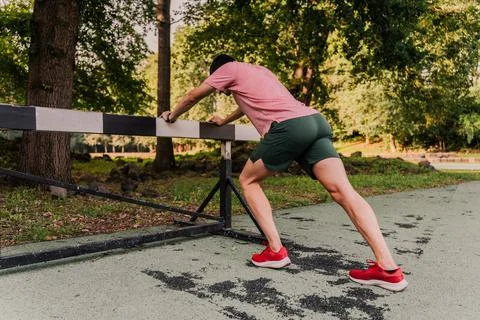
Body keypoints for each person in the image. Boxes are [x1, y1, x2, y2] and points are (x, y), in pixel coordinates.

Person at [161, 54, 408, 292]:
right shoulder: (259, 71)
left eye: (218, 84)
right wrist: (225, 120)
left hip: (289, 127)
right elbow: (248, 105)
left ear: (218, 71)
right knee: (343, 191)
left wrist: (172, 115)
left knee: (248, 181)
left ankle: (276, 251)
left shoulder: (227, 69)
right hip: (314, 121)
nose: (221, 90)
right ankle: (388, 268)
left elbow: (193, 96)